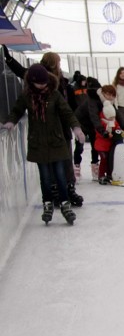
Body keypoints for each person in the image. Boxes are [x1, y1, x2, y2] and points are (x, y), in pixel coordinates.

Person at [1, 64, 85, 225]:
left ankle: (65, 204)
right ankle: (47, 203)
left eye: (44, 82)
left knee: (61, 176)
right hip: (37, 143)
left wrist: (76, 128)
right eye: (39, 83)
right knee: (45, 177)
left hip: (56, 141)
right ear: (32, 83)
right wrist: (11, 122)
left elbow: (67, 112)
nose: (43, 85)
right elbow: (17, 110)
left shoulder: (54, 94)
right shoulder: (27, 96)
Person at [93, 99, 121, 184]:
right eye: (111, 117)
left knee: (110, 159)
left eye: (113, 117)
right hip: (101, 145)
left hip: (109, 145)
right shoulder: (101, 122)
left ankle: (109, 174)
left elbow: (117, 127)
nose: (113, 119)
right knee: (104, 159)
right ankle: (101, 175)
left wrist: (121, 132)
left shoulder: (113, 121)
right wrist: (106, 134)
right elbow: (99, 132)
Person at [72, 75, 88, 178]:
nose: (83, 83)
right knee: (79, 146)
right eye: (82, 81)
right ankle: (77, 164)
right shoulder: (74, 89)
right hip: (78, 119)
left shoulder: (88, 89)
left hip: (89, 119)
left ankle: (95, 164)